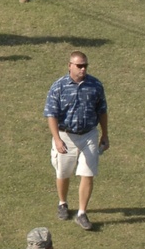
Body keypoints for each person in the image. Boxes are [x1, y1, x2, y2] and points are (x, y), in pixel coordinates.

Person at [44, 51, 110, 229]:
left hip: (89, 135)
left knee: (88, 173)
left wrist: (105, 134)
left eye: (85, 66)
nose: (82, 69)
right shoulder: (58, 87)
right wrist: (57, 139)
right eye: (79, 66)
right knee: (63, 173)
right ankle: (63, 202)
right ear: (70, 66)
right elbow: (51, 115)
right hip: (66, 136)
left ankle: (82, 213)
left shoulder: (95, 85)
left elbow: (102, 111)